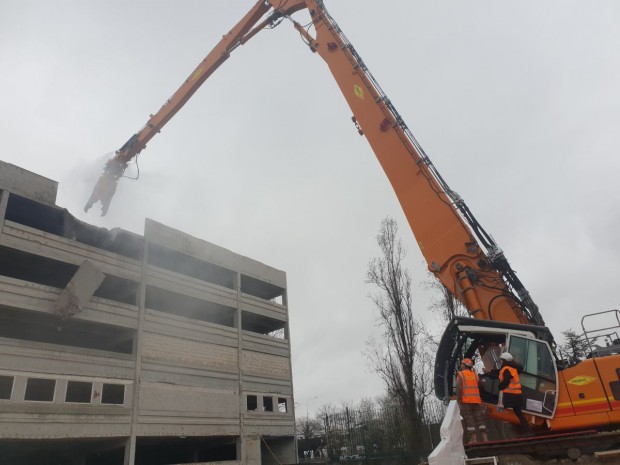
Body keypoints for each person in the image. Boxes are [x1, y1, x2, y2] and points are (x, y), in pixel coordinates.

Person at [498, 352, 534, 437]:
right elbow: (518, 370)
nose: (500, 362)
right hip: (517, 394)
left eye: (501, 360)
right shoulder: (513, 368)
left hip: (511, 395)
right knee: (519, 413)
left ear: (504, 360)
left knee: (515, 412)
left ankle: (528, 431)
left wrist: (500, 386)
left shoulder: (506, 369)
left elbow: (506, 381)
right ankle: (528, 430)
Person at [456, 357, 489, 444]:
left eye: (462, 364)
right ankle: (485, 437)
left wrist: (459, 399)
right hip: (476, 401)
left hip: (466, 401)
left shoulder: (460, 375)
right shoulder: (474, 375)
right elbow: (480, 385)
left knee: (469, 420)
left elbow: (459, 388)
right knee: (480, 419)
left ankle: (474, 439)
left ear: (464, 365)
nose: (461, 365)